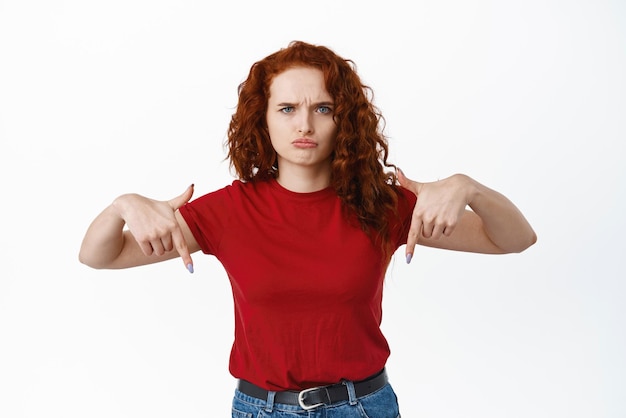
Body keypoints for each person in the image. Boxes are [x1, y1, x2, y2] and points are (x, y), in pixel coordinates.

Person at [79, 41, 536, 417]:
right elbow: (99, 255)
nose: (304, 124)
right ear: (263, 118)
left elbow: (515, 239)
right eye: (287, 108)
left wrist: (469, 188)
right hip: (262, 409)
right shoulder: (229, 211)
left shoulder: (383, 204)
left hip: (363, 407)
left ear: (345, 119)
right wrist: (122, 205)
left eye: (322, 108)